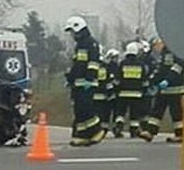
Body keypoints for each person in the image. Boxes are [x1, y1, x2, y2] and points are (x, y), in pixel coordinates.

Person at [63, 16, 105, 147]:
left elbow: (93, 62)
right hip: (78, 83)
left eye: (72, 32)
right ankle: (82, 136)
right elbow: (78, 65)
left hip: (87, 83)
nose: (72, 35)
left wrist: (89, 78)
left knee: (86, 108)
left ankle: (97, 130)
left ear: (78, 28)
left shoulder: (90, 43)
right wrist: (70, 78)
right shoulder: (80, 45)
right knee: (79, 111)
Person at [139, 37, 184, 143]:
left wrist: (167, 81)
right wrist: (152, 81)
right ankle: (150, 132)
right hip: (163, 89)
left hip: (175, 89)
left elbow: (177, 67)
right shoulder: (163, 54)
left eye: (156, 46)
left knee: (176, 112)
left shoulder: (175, 51)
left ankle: (180, 134)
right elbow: (160, 69)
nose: (156, 49)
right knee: (156, 110)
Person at [113, 42, 150, 138]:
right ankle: (134, 131)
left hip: (122, 94)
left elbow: (117, 79)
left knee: (120, 112)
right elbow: (145, 81)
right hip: (137, 95)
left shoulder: (122, 64)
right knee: (134, 114)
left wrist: (116, 90)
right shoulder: (141, 65)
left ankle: (119, 126)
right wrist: (144, 92)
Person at [93, 48, 117, 137]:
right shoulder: (105, 67)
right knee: (104, 114)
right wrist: (110, 93)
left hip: (92, 95)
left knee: (95, 114)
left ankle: (96, 130)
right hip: (103, 96)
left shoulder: (90, 66)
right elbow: (108, 82)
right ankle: (103, 130)